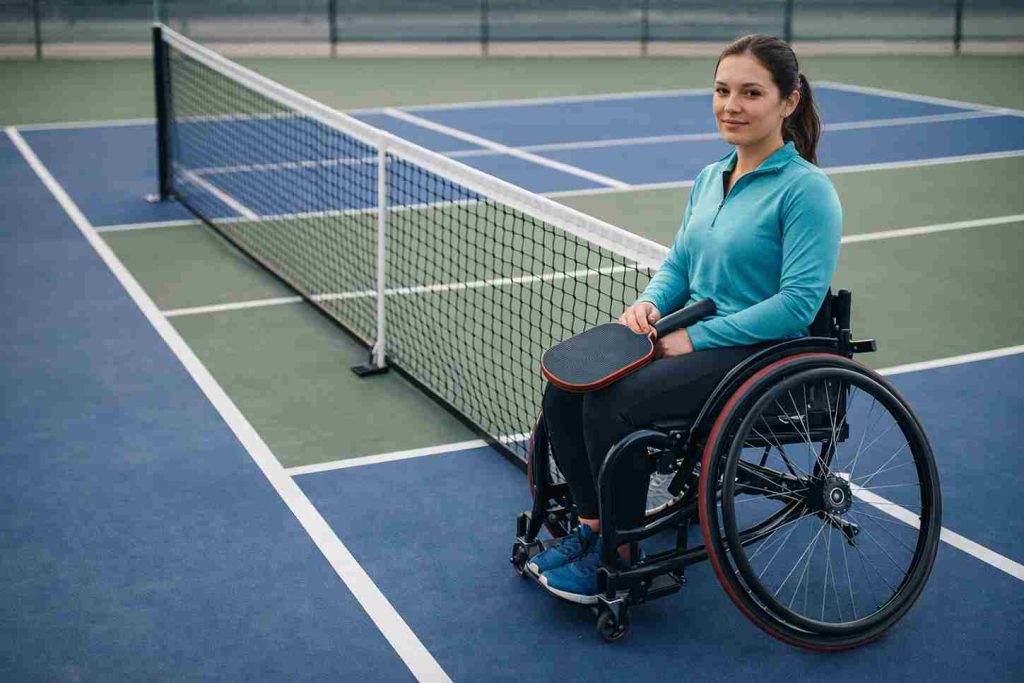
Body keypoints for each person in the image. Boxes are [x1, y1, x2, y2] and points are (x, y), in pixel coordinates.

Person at [531, 34, 843, 605]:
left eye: (751, 93)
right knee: (567, 389)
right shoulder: (710, 177)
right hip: (699, 339)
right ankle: (594, 528)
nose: (731, 106)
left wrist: (695, 337)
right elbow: (679, 263)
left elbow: (797, 305)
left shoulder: (807, 192)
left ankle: (623, 556)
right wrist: (651, 303)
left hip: (762, 355)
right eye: (722, 91)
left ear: (789, 101)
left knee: (613, 403)